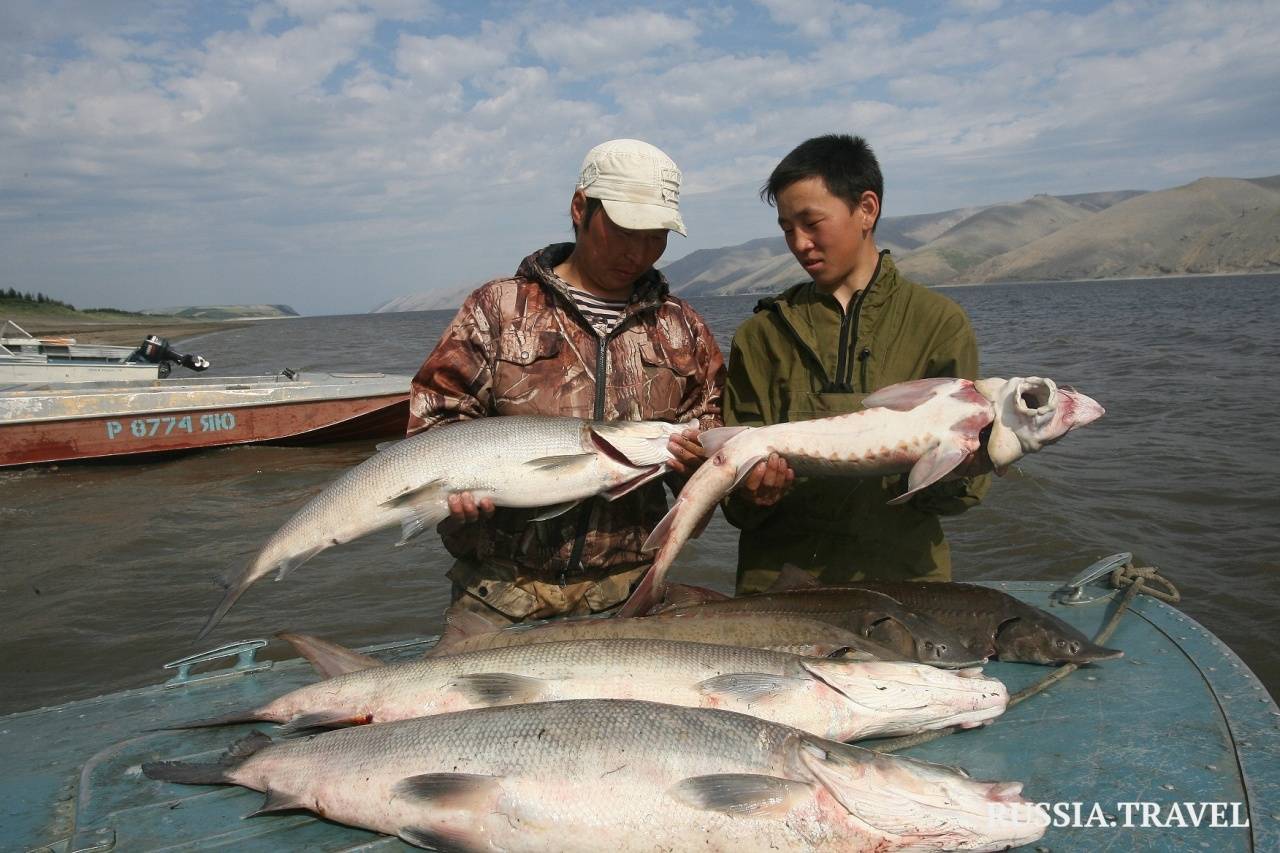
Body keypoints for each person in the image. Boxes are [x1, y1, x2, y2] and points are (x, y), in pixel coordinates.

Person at [407, 138, 725, 624]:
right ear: (580, 208)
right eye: (625, 231)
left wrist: (696, 465)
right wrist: (453, 495)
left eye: (656, 235)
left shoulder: (683, 329)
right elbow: (434, 421)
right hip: (498, 591)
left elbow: (710, 446)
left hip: (630, 595)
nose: (639, 252)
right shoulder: (499, 309)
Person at [723, 133, 990, 594]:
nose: (799, 243)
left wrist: (969, 463)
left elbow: (961, 496)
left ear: (867, 209)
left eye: (811, 223)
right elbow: (735, 501)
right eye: (787, 228)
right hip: (778, 588)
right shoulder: (761, 335)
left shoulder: (938, 323)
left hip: (903, 584)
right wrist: (752, 491)